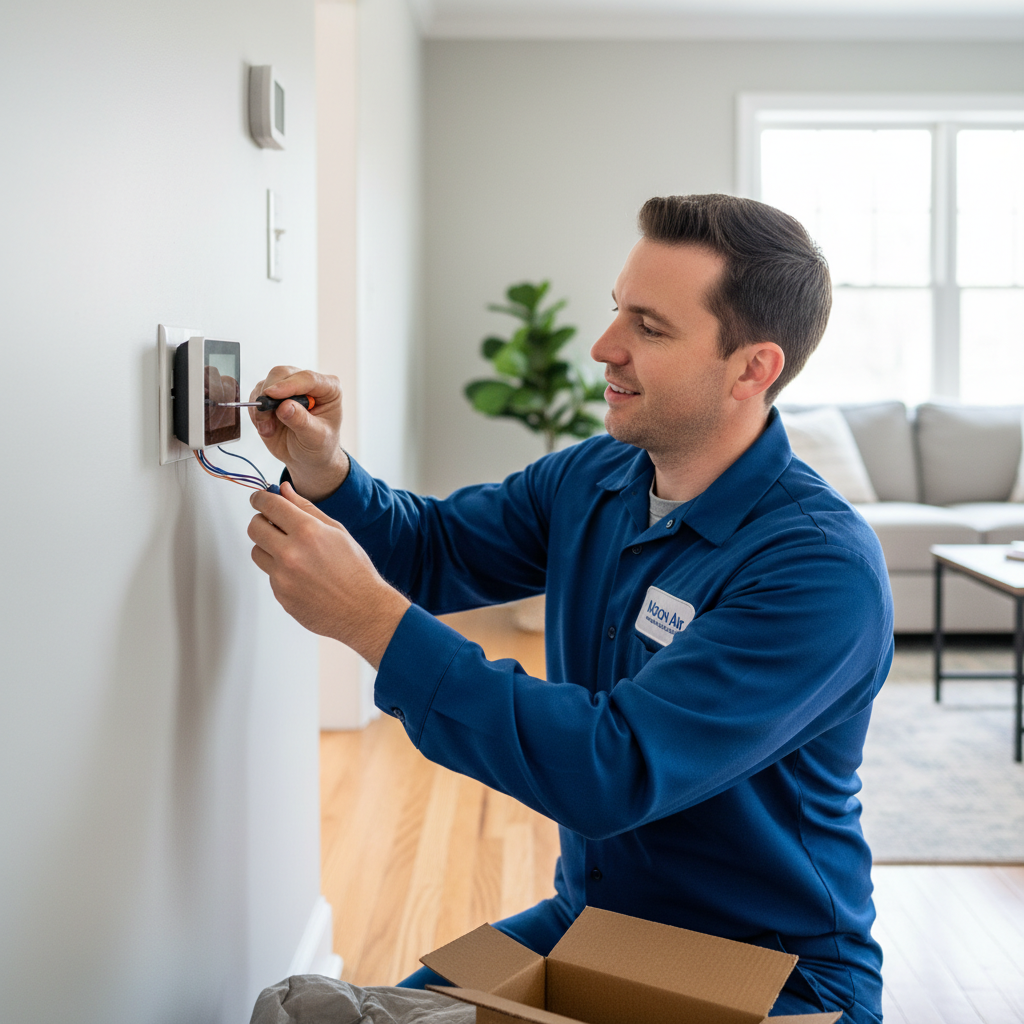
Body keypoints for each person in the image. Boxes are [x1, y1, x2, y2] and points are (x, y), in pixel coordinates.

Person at [246, 194, 892, 1024]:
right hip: (594, 925)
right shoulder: (594, 478)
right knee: (326, 1018)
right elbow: (435, 549)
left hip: (772, 976)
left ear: (752, 368)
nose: (604, 347)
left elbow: (609, 768)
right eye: (616, 309)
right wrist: (329, 470)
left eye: (649, 328)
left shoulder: (817, 570)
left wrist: (372, 622)